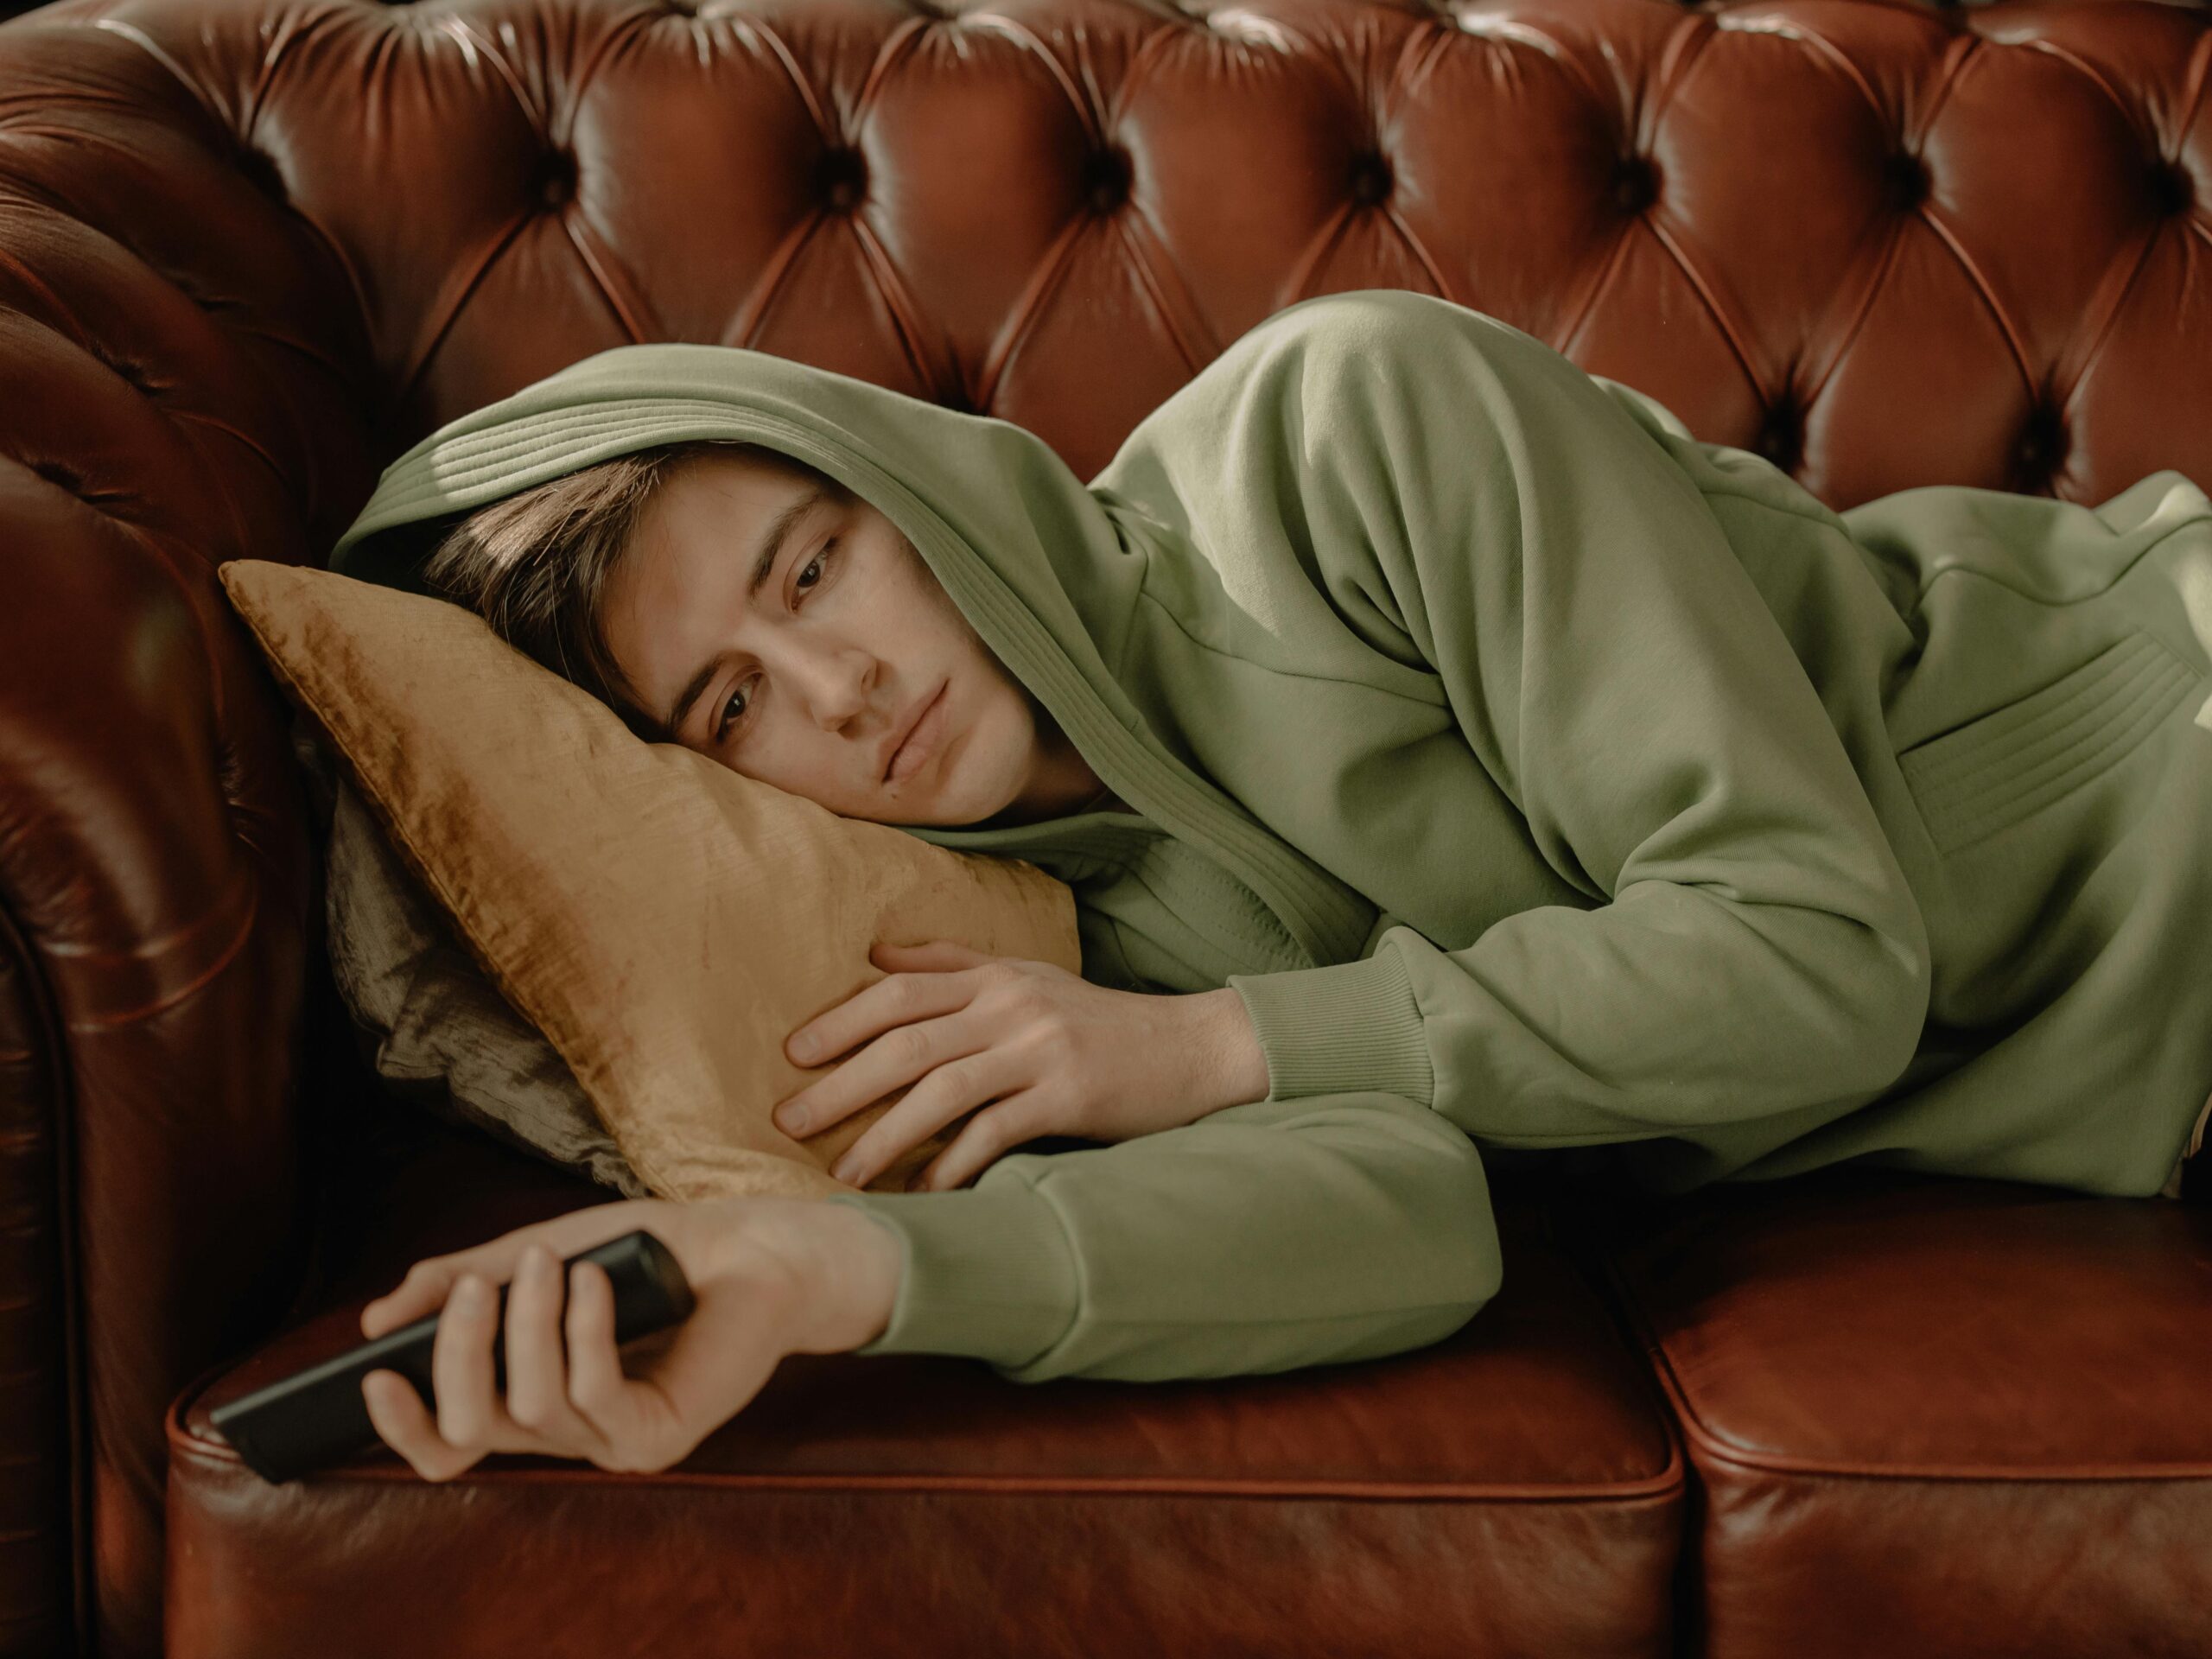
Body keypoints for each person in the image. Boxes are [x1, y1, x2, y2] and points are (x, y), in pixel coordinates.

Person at [329, 289, 2212, 1484]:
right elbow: (1409, 1217)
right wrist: (832, 1271)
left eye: (814, 568)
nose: (844, 692)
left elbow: (1811, 954)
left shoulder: (1346, 427)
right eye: (729, 703)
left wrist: (1213, 1046)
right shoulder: (1028, 948)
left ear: (889, 475)